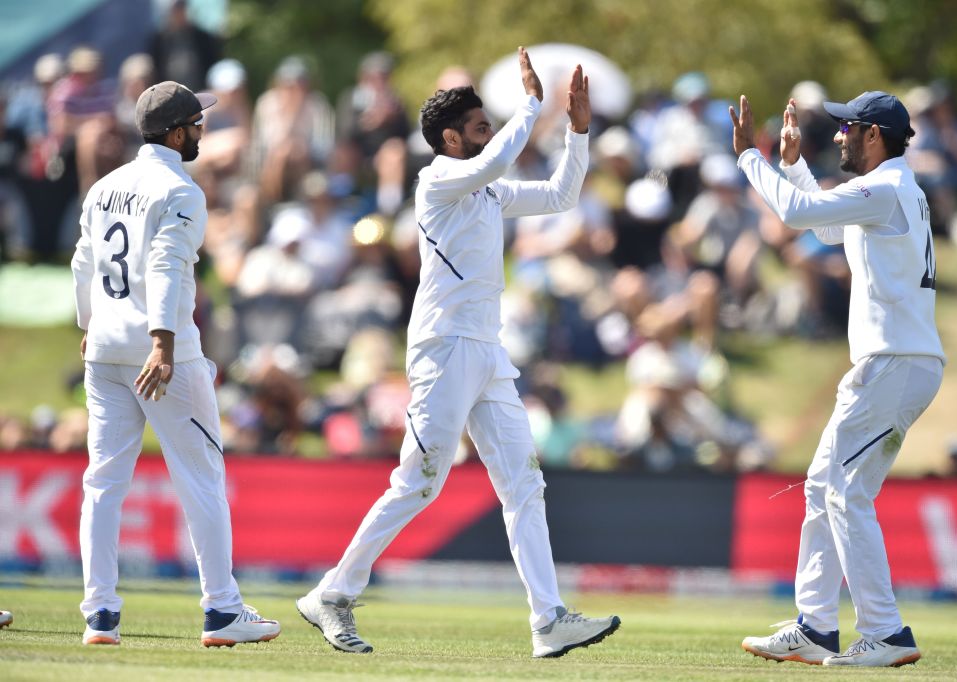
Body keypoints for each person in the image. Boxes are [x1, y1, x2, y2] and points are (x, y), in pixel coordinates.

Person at [295, 47, 620, 658]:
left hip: (487, 351)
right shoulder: (437, 180)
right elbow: (498, 158)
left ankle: (548, 619)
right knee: (419, 482)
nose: (490, 135)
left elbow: (560, 197)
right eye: (479, 127)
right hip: (443, 348)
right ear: (451, 139)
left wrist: (577, 132)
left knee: (524, 482)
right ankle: (333, 595)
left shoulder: (488, 193)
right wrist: (532, 103)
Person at [730, 91, 944, 667]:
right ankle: (816, 626)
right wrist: (792, 164)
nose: (841, 136)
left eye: (848, 127)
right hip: (893, 363)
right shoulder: (889, 190)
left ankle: (886, 631)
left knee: (846, 492)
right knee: (825, 486)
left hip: (895, 363)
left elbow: (799, 216)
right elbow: (826, 230)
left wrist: (751, 157)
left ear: (874, 135)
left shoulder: (887, 188)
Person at [70, 81, 280, 647]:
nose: (202, 131)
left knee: (103, 482)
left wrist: (89, 327)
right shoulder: (181, 190)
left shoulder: (105, 186)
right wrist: (162, 341)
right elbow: (165, 266)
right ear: (177, 132)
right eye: (197, 123)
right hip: (165, 353)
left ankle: (100, 615)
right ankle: (222, 611)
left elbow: (82, 264)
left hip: (106, 350)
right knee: (202, 478)